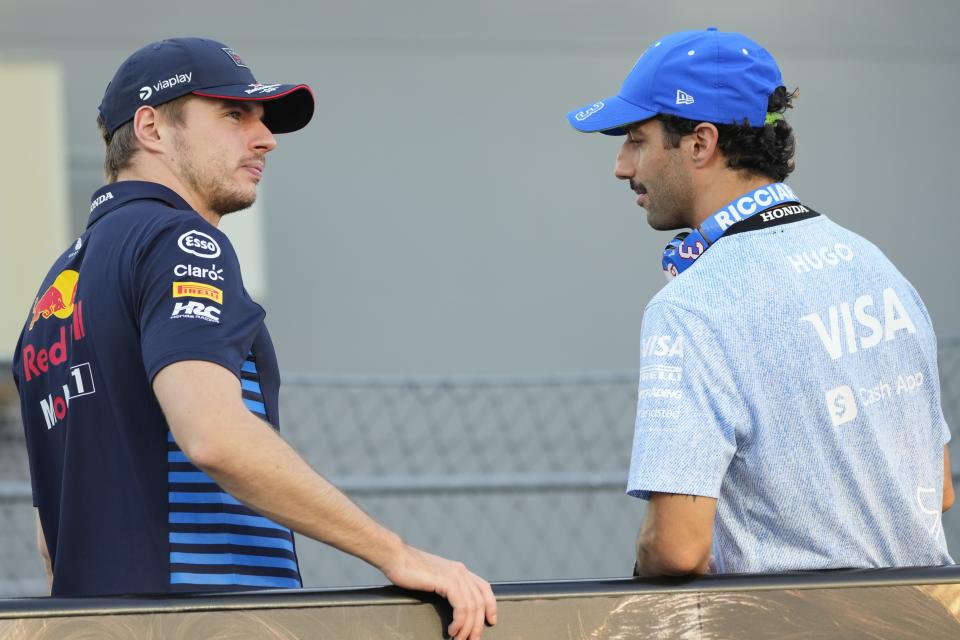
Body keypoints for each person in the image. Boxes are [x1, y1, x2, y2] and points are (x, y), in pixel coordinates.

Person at [13, 37, 496, 640]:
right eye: (234, 115)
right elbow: (214, 434)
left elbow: (48, 536)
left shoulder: (53, 292)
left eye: (263, 120)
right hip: (203, 617)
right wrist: (398, 553)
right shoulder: (179, 241)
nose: (265, 139)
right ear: (151, 127)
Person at [566, 27, 954, 576]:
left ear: (700, 143)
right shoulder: (878, 269)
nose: (622, 167)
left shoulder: (692, 307)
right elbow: (936, 490)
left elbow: (675, 549)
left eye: (636, 139)